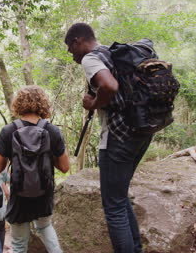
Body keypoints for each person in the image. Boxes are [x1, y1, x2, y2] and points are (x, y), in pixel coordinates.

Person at [65, 23, 155, 253]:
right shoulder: (113, 54)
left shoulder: (90, 59)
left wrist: (93, 103)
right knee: (119, 197)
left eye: (69, 48)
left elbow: (109, 85)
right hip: (141, 132)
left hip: (117, 137)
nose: (70, 54)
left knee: (113, 207)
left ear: (77, 41)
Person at [0, 85, 70, 253]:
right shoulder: (52, 131)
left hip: (19, 193)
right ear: (43, 104)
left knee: (19, 244)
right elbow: (65, 167)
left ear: (18, 104)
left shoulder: (8, 131)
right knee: (45, 227)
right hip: (44, 191)